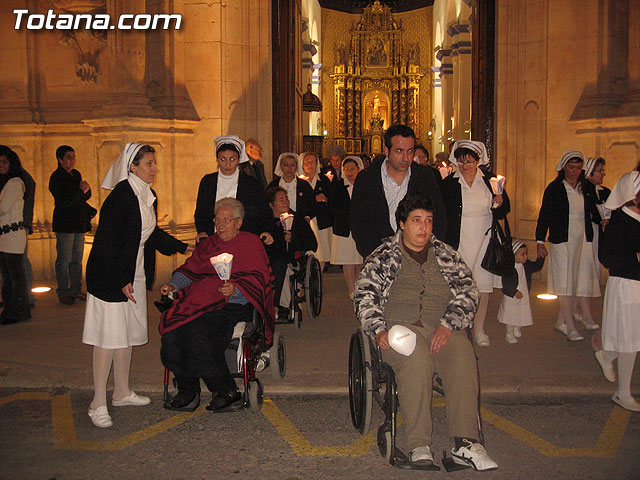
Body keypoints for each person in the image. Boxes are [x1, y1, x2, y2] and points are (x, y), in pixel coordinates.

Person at [354, 193, 498, 471]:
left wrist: (448, 323)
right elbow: (364, 296)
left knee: (462, 353)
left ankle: (466, 443)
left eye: (428, 221)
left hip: (441, 326)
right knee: (415, 358)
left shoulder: (446, 255)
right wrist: (378, 328)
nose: (423, 228)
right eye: (416, 221)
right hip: (399, 330)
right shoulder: (384, 257)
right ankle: (419, 443)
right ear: (402, 224)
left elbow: (469, 291)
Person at [82, 143, 193, 428]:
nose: (154, 169)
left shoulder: (147, 194)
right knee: (108, 338)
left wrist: (184, 246)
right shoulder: (120, 197)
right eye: (149, 164)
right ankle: (97, 401)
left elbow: (150, 232)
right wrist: (121, 280)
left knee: (127, 334)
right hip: (111, 276)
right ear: (132, 166)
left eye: (155, 164)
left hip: (134, 270)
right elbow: (107, 243)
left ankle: (121, 392)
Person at [160, 198, 275, 411]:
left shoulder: (250, 243)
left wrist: (237, 288)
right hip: (199, 300)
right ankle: (187, 388)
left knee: (199, 333)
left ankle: (226, 390)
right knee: (172, 329)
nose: (220, 225)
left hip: (232, 305)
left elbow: (260, 278)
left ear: (239, 223)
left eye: (227, 220)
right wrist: (172, 285)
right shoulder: (209, 244)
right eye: (218, 220)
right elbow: (189, 270)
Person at [439, 140, 510, 347]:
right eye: (461, 162)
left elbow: (504, 211)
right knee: (459, 287)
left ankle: (479, 329)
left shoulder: (489, 181)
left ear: (478, 161)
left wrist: (499, 202)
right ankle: (460, 326)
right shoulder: (450, 183)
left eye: (469, 161)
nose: (465, 166)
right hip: (459, 240)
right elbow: (442, 212)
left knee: (482, 287)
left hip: (484, 239)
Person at [350, 124, 447, 259]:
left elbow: (439, 216)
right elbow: (357, 220)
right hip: (378, 254)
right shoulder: (367, 178)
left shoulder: (424, 176)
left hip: (418, 255)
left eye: (410, 151)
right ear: (386, 150)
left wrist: (429, 250)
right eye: (399, 151)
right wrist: (370, 253)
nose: (406, 158)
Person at [536, 150, 600, 341]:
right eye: (571, 168)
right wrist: (540, 240)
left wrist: (601, 219)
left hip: (582, 237)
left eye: (579, 168)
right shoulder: (555, 188)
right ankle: (570, 325)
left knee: (576, 279)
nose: (575, 172)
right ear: (564, 167)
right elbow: (544, 215)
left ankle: (561, 321)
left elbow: (593, 209)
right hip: (562, 237)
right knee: (565, 281)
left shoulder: (586, 187)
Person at [594, 170, 640, 411]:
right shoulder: (618, 223)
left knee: (632, 337)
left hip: (636, 284)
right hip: (626, 285)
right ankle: (623, 393)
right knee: (630, 340)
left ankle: (607, 354)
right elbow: (608, 258)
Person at [260, 187, 317, 320]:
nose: (286, 202)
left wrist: (293, 240)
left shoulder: (297, 220)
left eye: (286, 199)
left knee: (282, 267)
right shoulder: (264, 221)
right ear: (271, 204)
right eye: (281, 200)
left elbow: (312, 244)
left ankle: (280, 305)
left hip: (290, 260)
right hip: (269, 259)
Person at [194, 135, 265, 239]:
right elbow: (201, 211)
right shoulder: (208, 181)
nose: (228, 164)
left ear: (238, 160)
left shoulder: (250, 183)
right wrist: (202, 231)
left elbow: (260, 212)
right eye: (223, 159)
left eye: (232, 159)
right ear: (217, 159)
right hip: (213, 237)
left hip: (242, 238)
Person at [49, 145, 94, 305]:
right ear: (60, 160)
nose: (72, 160)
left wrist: (82, 192)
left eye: (73, 157)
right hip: (65, 224)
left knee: (77, 259)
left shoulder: (75, 174)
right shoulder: (56, 177)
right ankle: (62, 292)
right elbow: (65, 201)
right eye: (68, 157)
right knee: (64, 259)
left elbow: (86, 194)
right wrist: (81, 192)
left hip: (78, 222)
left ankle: (76, 289)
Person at [574, 157, 611, 330]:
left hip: (597, 235)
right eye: (600, 171)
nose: (603, 174)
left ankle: (573, 308)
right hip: (585, 235)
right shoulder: (582, 190)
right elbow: (587, 212)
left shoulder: (604, 191)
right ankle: (586, 314)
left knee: (591, 272)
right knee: (585, 273)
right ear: (590, 173)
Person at [0, 146, 30, 325]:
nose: (1, 165)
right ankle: (10, 308)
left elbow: (3, 208)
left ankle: (18, 309)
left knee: (15, 275)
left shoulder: (15, 183)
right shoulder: (5, 182)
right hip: (4, 235)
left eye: (4, 162)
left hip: (13, 234)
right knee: (7, 275)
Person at [330, 156, 363, 300]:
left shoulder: (365, 185)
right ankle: (351, 289)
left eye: (352, 169)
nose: (349, 172)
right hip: (343, 227)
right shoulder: (337, 186)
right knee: (348, 259)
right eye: (347, 169)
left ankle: (359, 285)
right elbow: (333, 204)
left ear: (358, 169)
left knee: (359, 259)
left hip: (361, 227)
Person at [499, 240, 545, 343]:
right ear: (513, 255)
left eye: (526, 254)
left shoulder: (526, 265)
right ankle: (509, 332)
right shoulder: (509, 268)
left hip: (523, 293)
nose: (525, 256)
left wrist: (541, 258)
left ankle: (517, 327)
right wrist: (513, 292)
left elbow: (536, 266)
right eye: (522, 254)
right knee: (510, 313)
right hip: (511, 295)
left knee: (521, 311)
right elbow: (506, 283)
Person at [300, 151, 332, 268]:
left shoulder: (323, 180)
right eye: (307, 162)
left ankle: (318, 279)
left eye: (312, 162)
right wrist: (313, 198)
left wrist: (325, 198)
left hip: (322, 220)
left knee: (322, 253)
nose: (310, 165)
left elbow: (332, 198)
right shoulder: (299, 181)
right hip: (307, 220)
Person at [267, 153, 315, 220]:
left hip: (299, 222)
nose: (289, 168)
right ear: (281, 167)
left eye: (292, 165)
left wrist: (307, 217)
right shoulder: (273, 185)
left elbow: (312, 204)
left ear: (296, 167)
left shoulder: (304, 185)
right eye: (286, 165)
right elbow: (268, 204)